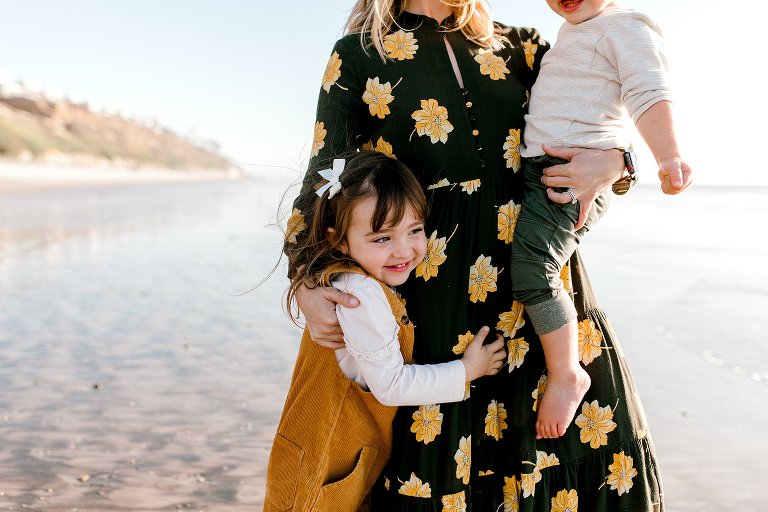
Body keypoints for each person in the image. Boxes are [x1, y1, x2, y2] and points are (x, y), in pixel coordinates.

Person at [284, 0, 664, 509]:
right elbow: (324, 179)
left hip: (538, 295)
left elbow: (601, 113)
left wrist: (621, 161)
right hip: (433, 301)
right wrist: (306, 279)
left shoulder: (524, 46)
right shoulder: (358, 54)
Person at [265, 150, 506, 511]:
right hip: (329, 456)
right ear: (339, 241)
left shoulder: (349, 277)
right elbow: (391, 386)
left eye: (415, 230)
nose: (404, 251)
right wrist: (468, 370)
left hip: (319, 445)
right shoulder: (361, 294)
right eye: (382, 239)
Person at [511, 0, 693, 441]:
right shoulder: (572, 33)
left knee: (535, 272)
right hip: (547, 174)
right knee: (532, 270)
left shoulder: (625, 26)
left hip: (574, 177)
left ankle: (567, 373)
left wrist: (667, 156)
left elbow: (648, 92)